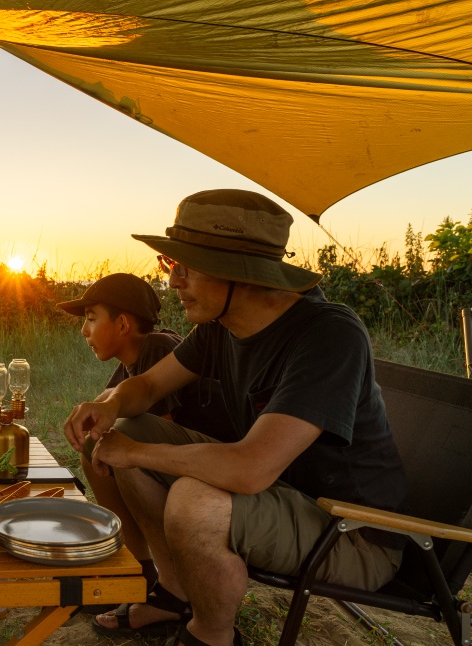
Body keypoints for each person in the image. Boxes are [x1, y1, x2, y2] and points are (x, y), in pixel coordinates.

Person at [63, 189, 408, 646]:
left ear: (239, 272)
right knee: (121, 426)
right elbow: (146, 386)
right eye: (171, 265)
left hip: (350, 532)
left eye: (185, 267)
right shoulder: (219, 329)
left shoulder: (328, 335)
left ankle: (211, 636)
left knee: (194, 501)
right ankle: (172, 593)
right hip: (283, 498)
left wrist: (137, 453)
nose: (173, 282)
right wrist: (109, 405)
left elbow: (249, 468)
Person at [56, 273, 229, 630]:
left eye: (90, 318)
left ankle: (156, 581)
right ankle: (138, 568)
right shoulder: (128, 367)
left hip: (210, 473)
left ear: (122, 324)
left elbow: (149, 429)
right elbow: (105, 413)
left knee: (117, 440)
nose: (84, 331)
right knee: (97, 447)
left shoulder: (158, 347)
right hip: (183, 467)